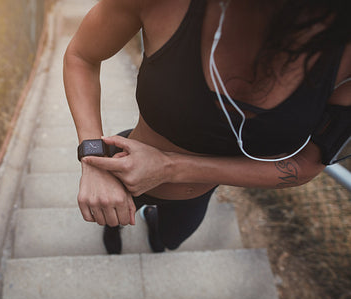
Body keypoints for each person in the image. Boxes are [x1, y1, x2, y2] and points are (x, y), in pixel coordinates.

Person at [63, 0, 351, 254]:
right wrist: (94, 160)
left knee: (169, 239)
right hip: (123, 167)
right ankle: (114, 227)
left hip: (196, 192)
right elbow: (81, 57)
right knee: (111, 215)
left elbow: (308, 163)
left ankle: (151, 218)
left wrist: (169, 167)